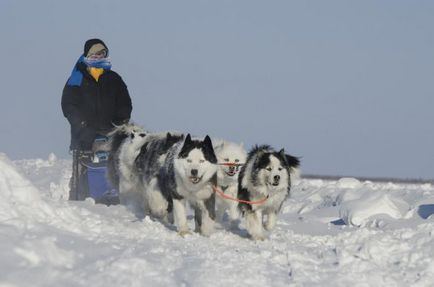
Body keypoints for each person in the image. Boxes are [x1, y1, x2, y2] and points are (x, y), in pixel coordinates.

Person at [62, 38, 132, 200]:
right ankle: (79, 202)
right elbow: (68, 105)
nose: (99, 57)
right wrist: (82, 125)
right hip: (83, 137)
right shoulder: (76, 79)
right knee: (83, 178)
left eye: (102, 54)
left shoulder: (115, 79)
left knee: (113, 170)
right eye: (95, 55)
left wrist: (119, 125)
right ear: (87, 56)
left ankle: (114, 200)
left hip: (111, 136)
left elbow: (125, 104)